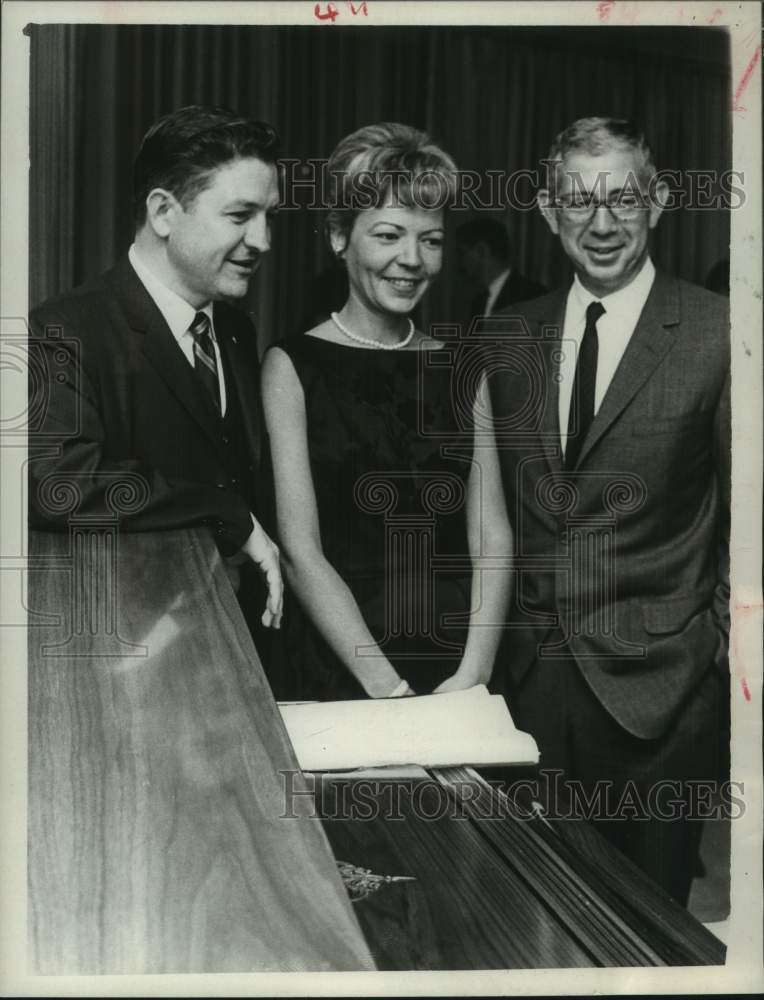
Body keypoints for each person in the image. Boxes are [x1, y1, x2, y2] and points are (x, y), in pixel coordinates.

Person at [488, 117, 730, 905]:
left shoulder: (719, 333)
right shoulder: (505, 338)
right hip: (528, 701)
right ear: (549, 212)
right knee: (532, 931)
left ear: (657, 201)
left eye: (622, 198)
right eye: (577, 202)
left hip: (663, 701)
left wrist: (715, 652)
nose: (601, 223)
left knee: (653, 941)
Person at [262, 123, 512, 701]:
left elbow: (490, 534)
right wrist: (389, 689)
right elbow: (300, 551)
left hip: (458, 664)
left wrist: (473, 675)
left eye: (431, 240)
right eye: (389, 235)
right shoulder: (291, 366)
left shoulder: (462, 367)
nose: (412, 260)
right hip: (345, 670)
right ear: (338, 237)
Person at [28, 105, 283, 630]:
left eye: (268, 217)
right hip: (127, 642)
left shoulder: (235, 330)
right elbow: (59, 485)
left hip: (238, 633)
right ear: (164, 212)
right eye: (240, 216)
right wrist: (224, 513)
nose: (263, 241)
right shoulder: (63, 330)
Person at [455, 217, 546, 328]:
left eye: (462, 253)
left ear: (482, 251)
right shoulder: (478, 303)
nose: (458, 261)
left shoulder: (533, 297)